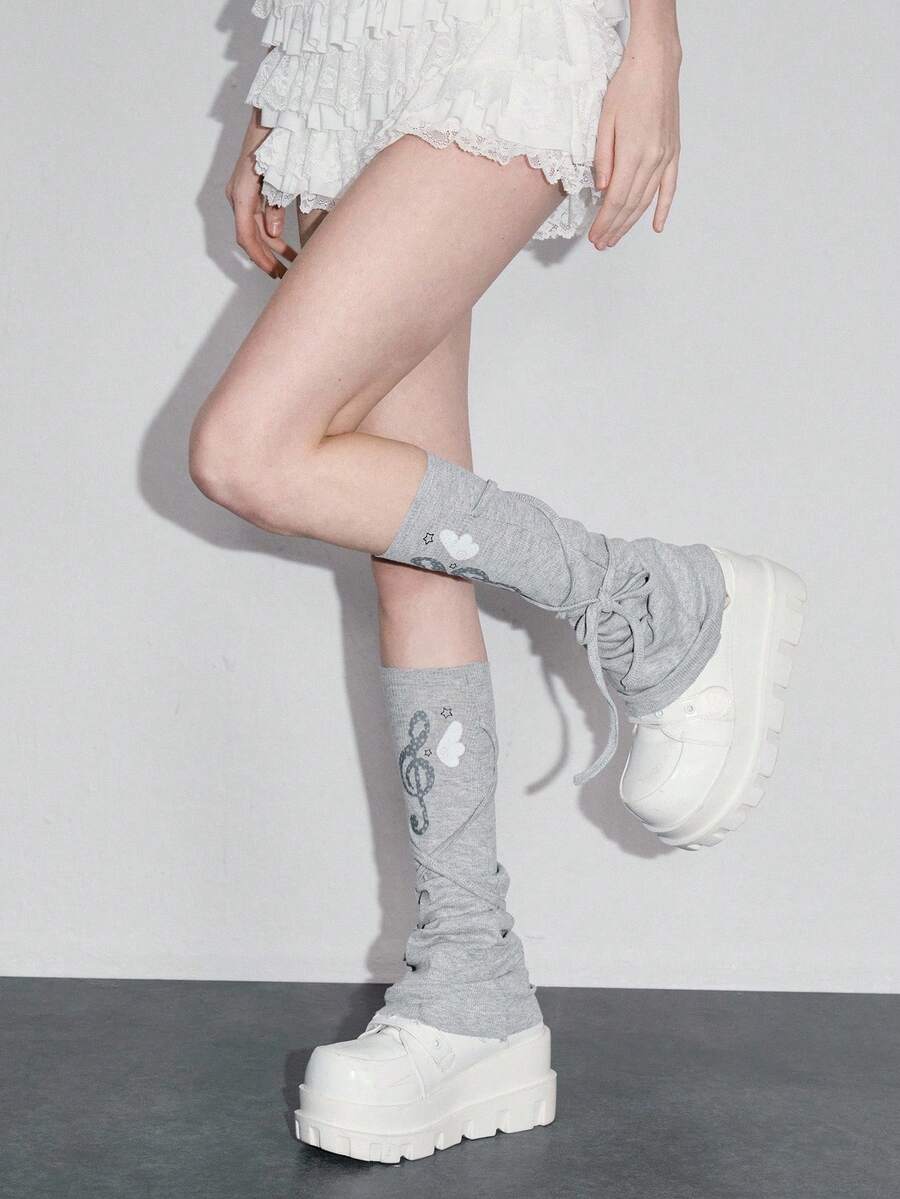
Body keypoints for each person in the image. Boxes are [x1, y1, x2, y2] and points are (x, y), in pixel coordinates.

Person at [189, 0, 806, 1164]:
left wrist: (657, 39)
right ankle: (472, 983)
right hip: (347, 48)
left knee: (248, 450)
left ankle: (646, 599)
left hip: (495, 29)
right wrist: (279, 97)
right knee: (414, 558)